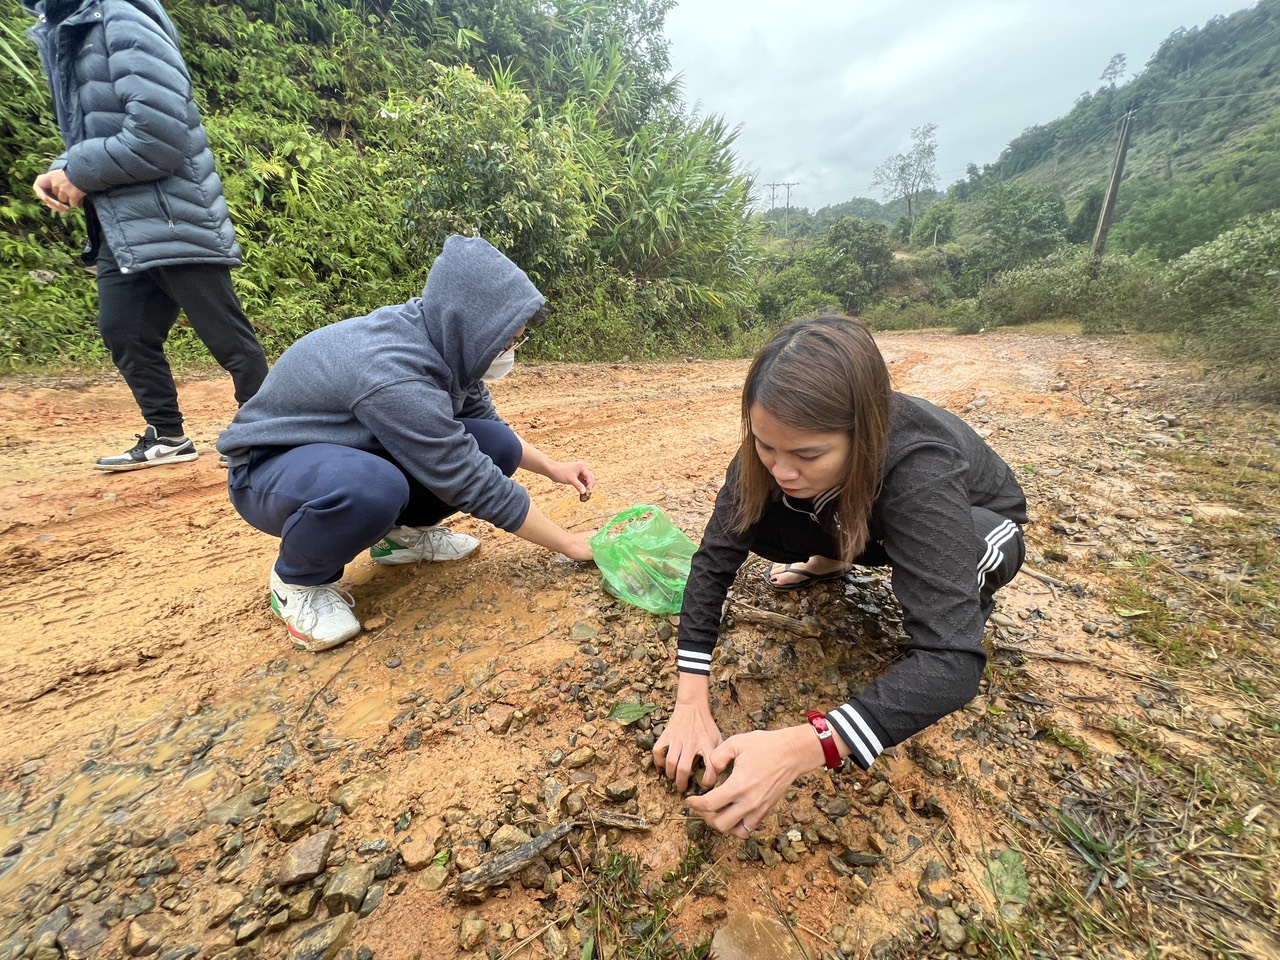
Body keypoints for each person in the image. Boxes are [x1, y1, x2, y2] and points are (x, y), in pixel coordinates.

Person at [653, 315, 1027, 838]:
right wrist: (690, 698)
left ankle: (956, 599)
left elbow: (952, 665)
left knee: (952, 610)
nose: (782, 469)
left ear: (865, 433)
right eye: (765, 445)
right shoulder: (774, 455)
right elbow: (713, 561)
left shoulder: (919, 464)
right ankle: (833, 555)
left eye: (808, 454)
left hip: (974, 521)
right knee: (751, 515)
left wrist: (803, 746)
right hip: (865, 519)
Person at [217, 235, 596, 653]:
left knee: (497, 444)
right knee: (372, 488)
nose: (510, 351)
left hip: (345, 450)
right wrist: (569, 542)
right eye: (506, 341)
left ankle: (401, 538)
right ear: (472, 324)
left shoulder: (448, 344)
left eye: (515, 341)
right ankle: (298, 581)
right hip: (269, 469)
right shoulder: (395, 371)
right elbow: (468, 478)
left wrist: (553, 467)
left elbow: (482, 426)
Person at [26, 0, 268, 471]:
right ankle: (168, 435)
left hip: (172, 213)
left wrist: (79, 169)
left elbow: (160, 137)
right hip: (118, 218)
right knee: (124, 329)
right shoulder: (69, 26)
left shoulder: (121, 16)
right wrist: (61, 167)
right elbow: (90, 130)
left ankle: (271, 430)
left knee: (225, 336)